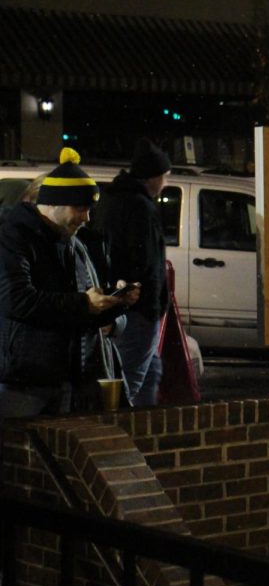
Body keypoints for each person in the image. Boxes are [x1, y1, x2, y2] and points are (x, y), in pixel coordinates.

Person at [0, 149, 138, 418]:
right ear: (55, 203)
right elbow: (17, 300)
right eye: (81, 208)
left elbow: (79, 307)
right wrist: (86, 303)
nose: (86, 218)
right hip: (25, 380)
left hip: (69, 380)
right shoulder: (13, 239)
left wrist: (117, 304)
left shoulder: (74, 244)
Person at [91, 138, 171, 407]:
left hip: (122, 304)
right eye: (164, 176)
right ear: (153, 177)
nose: (166, 183)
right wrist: (150, 302)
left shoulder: (113, 199)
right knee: (131, 381)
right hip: (137, 308)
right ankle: (125, 435)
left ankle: (144, 431)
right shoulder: (140, 207)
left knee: (150, 372)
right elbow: (146, 261)